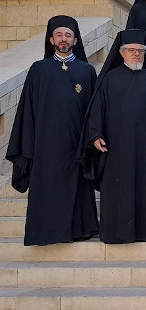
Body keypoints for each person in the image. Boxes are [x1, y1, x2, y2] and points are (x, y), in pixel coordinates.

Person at [6, 16, 99, 246]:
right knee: (47, 189)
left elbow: (95, 111)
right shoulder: (38, 70)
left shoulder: (87, 71)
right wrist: (28, 145)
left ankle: (79, 230)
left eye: (68, 35)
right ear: (51, 39)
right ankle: (47, 232)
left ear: (76, 40)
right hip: (45, 146)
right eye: (59, 35)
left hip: (76, 145)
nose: (64, 39)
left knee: (77, 188)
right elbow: (27, 110)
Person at [81, 29, 146, 244]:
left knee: (143, 190)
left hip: (143, 148)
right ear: (122, 53)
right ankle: (115, 234)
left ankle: (144, 232)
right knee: (115, 191)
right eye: (132, 50)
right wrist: (96, 135)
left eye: (140, 51)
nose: (136, 54)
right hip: (114, 147)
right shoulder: (108, 79)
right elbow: (97, 109)